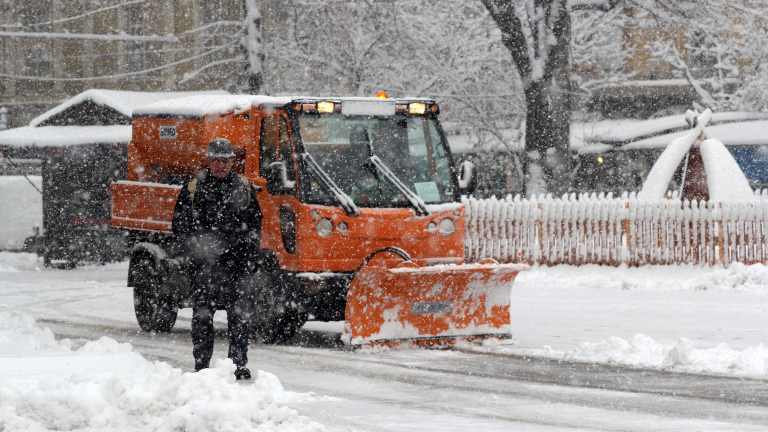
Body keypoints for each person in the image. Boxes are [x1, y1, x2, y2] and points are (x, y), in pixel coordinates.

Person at [172, 138, 262, 380]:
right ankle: (201, 366)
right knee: (202, 317)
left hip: (238, 265)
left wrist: (249, 254)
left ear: (233, 161)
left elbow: (256, 223)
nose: (221, 165)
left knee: (239, 316)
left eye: (225, 160)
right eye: (216, 160)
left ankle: (238, 365)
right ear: (208, 161)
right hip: (205, 267)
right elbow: (180, 227)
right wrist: (198, 253)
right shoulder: (193, 188)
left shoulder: (244, 187)